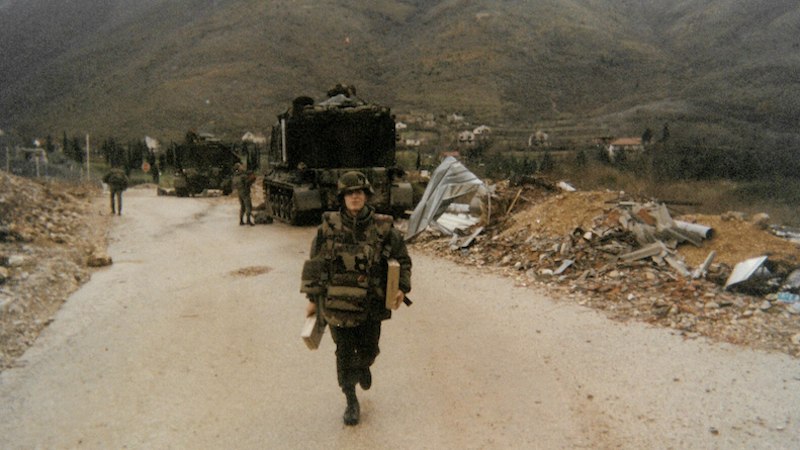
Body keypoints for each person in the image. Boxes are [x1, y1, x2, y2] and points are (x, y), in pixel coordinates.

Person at [304, 171, 412, 426]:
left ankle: (364, 365)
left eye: (359, 192)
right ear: (342, 197)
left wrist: (402, 287)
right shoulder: (327, 227)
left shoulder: (384, 227)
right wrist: (311, 297)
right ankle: (351, 400)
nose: (354, 197)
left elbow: (403, 260)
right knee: (343, 352)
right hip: (336, 303)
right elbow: (314, 263)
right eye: (349, 193)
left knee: (369, 349)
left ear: (366, 196)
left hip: (371, 304)